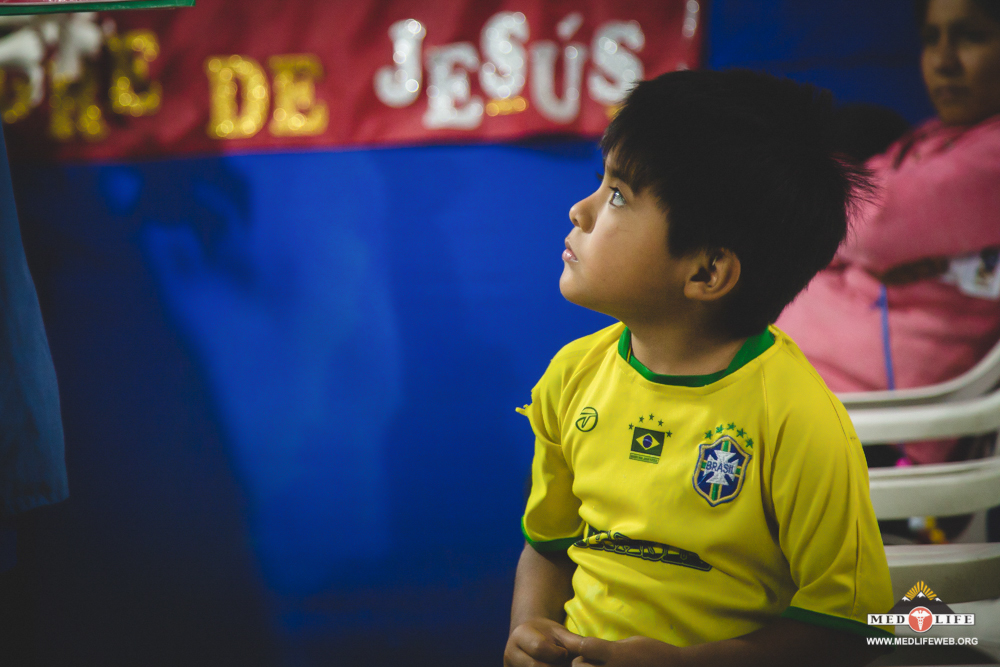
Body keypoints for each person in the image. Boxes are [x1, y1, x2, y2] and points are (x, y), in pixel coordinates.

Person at [504, 70, 893, 667]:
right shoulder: (571, 376)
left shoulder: (799, 421)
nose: (579, 210)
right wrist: (528, 631)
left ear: (708, 273)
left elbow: (853, 632)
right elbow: (549, 548)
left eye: (617, 196)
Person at [776, 0, 1000, 466]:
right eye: (931, 39)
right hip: (806, 400)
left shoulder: (991, 155)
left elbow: (867, 218)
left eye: (970, 36)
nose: (944, 60)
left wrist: (857, 245)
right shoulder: (928, 139)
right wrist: (857, 248)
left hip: (879, 429)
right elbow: (826, 222)